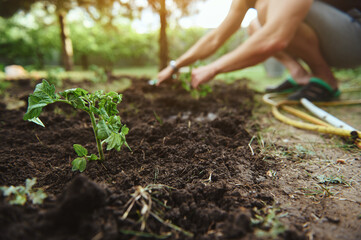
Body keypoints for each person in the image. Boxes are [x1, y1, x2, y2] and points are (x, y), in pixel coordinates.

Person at [156, 0, 361, 102]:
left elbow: (274, 39)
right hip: (336, 41)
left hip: (353, 39)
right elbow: (215, 37)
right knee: (255, 25)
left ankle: (325, 78)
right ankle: (300, 75)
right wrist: (175, 65)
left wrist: (213, 68)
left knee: (265, 10)